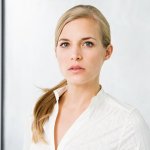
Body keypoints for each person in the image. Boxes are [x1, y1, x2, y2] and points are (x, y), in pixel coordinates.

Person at [23, 4, 150, 150]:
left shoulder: (128, 124)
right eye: (65, 44)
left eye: (87, 44)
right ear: (56, 51)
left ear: (107, 52)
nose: (75, 55)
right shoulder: (38, 114)